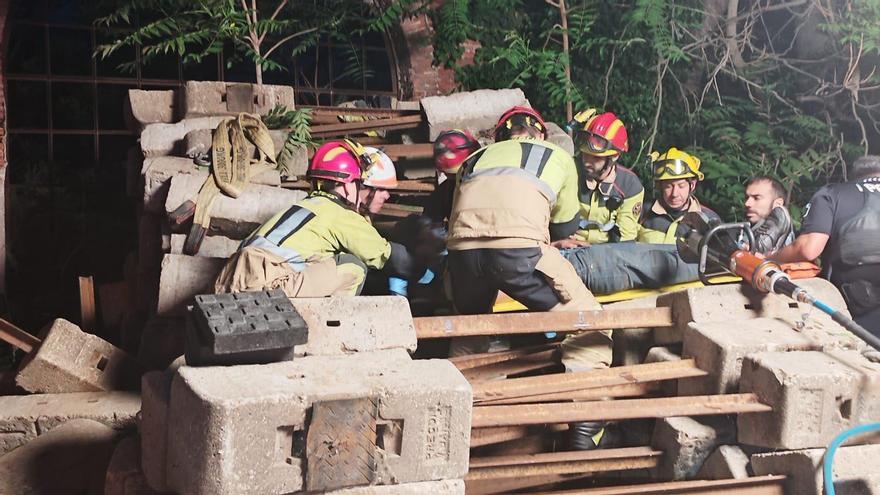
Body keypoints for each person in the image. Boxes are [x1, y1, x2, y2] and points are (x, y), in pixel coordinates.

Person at [446, 105, 611, 450]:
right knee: (589, 321)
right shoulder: (556, 155)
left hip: (462, 257)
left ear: (500, 135)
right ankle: (585, 426)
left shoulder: (472, 160)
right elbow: (565, 227)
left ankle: (461, 422)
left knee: (470, 328)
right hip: (518, 253)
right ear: (540, 133)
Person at [214, 140, 423, 297]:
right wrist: (428, 268)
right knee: (353, 266)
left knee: (330, 261)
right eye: (359, 182)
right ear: (345, 185)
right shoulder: (340, 215)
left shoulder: (306, 206)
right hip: (264, 287)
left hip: (227, 281)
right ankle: (330, 332)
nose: (386, 196)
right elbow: (386, 256)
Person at [771, 155, 880, 334]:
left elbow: (808, 249)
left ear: (854, 176)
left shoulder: (834, 193)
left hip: (858, 301)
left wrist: (769, 258)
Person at [557, 110, 643, 247]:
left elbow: (626, 240)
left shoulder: (629, 185)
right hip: (567, 246)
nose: (586, 161)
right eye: (585, 153)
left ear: (614, 156)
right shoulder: (567, 170)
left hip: (607, 251)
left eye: (595, 157)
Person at [638, 147, 720, 243]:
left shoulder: (709, 219)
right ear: (659, 186)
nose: (674, 194)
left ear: (692, 185)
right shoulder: (643, 212)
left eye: (681, 186)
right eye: (668, 186)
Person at [425, 129, 481, 224]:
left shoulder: (483, 185)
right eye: (449, 175)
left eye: (454, 175)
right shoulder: (445, 190)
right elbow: (429, 222)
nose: (455, 180)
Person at [743, 176, 794, 254]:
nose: (747, 203)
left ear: (778, 204)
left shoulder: (779, 218)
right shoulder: (742, 230)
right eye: (746, 198)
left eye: (756, 198)